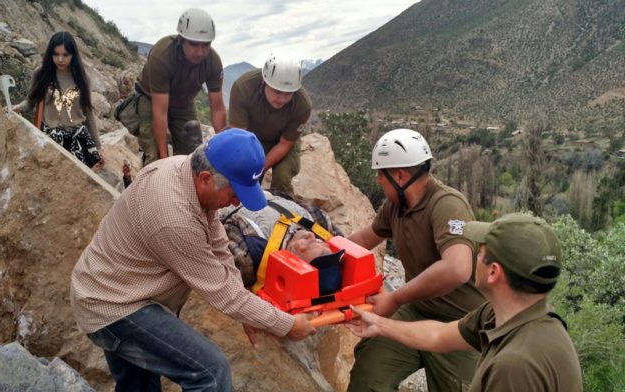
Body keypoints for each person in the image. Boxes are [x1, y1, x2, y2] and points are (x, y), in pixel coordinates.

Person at [70, 128, 315, 392]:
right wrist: (286, 324)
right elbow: (224, 295)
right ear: (206, 178)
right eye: (234, 194)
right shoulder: (174, 219)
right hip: (114, 306)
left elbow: (219, 245)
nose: (235, 202)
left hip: (112, 288)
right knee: (210, 372)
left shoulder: (183, 169)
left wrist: (253, 313)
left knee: (139, 386)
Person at [346, 213, 583, 392]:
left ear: (493, 272)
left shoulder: (514, 366)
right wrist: (379, 324)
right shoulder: (503, 315)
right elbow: (439, 335)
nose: (474, 255)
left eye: (479, 251)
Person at [346, 129, 485, 392]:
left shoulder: (447, 204)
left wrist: (395, 298)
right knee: (369, 371)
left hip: (460, 325)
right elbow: (365, 239)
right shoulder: (395, 205)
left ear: (400, 175)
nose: (377, 180)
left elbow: (457, 268)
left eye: (380, 173)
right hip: (416, 312)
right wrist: (326, 251)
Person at [134, 8, 226, 166]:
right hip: (150, 98)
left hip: (183, 101)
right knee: (155, 156)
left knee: (193, 155)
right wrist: (163, 160)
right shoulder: (162, 55)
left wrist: (226, 148)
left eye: (206, 45)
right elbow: (160, 111)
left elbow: (217, 108)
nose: (199, 52)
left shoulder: (213, 61)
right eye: (194, 44)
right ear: (180, 39)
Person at [13, 31, 103, 168]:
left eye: (65, 55)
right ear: (50, 54)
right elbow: (30, 101)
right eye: (56, 54)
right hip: (51, 140)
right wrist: (18, 107)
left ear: (73, 55)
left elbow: (88, 112)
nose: (60, 59)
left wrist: (97, 146)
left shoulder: (82, 78)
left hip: (78, 141)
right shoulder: (41, 74)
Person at [227, 54, 312, 194]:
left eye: (289, 93)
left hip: (281, 141)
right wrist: (248, 169)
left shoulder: (302, 105)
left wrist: (260, 169)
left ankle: (285, 209)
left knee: (282, 178)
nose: (283, 99)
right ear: (263, 82)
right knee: (242, 177)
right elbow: (239, 137)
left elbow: (285, 144)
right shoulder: (243, 88)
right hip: (249, 137)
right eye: (278, 92)